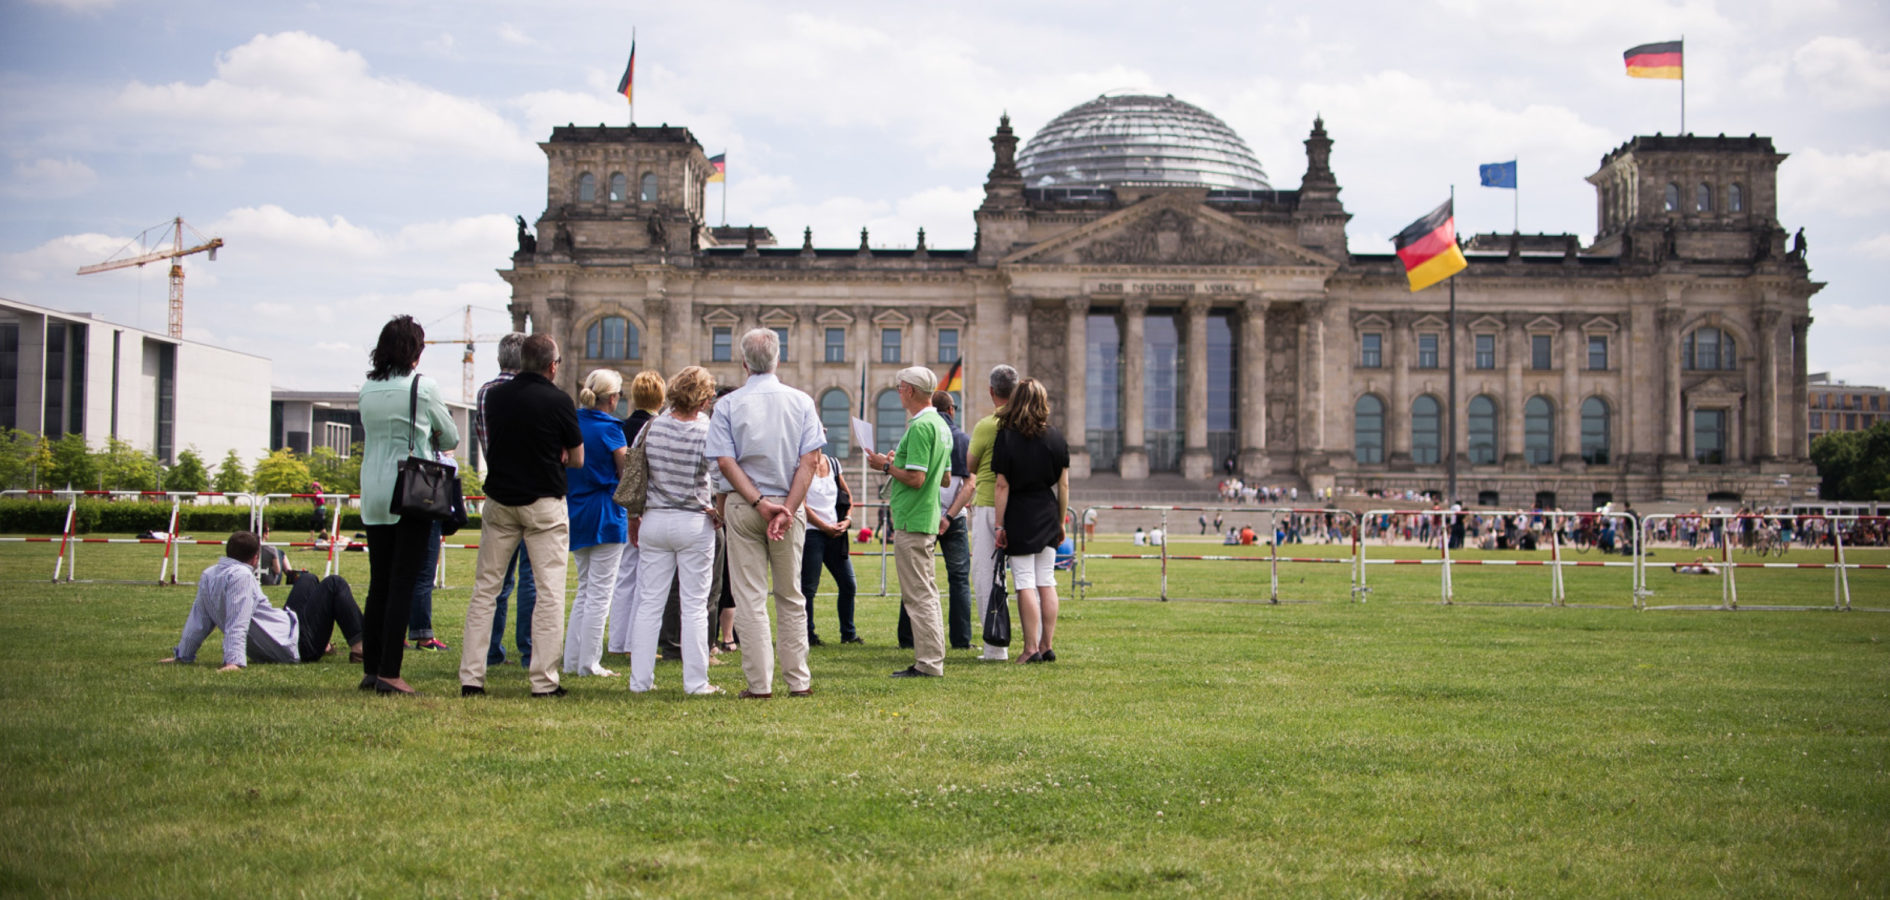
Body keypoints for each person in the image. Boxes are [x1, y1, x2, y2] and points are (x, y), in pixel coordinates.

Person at [458, 333, 582, 698]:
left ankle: (471, 677)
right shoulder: (559, 401)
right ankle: (543, 680)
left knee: (486, 589)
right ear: (552, 365)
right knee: (548, 592)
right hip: (543, 503)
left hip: (499, 500)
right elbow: (577, 459)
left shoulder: (494, 397)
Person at [708, 328, 824, 699]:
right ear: (779, 359)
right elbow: (810, 461)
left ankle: (759, 685)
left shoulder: (727, 405)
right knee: (791, 596)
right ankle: (799, 682)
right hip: (789, 505)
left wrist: (760, 503)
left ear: (743, 363)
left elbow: (725, 462)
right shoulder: (802, 401)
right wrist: (787, 509)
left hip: (746, 505)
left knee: (750, 597)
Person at [356, 315, 459, 695]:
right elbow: (450, 434)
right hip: (411, 489)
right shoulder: (422, 386)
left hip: (373, 487)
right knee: (404, 582)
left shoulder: (367, 388)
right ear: (415, 352)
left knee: (378, 582)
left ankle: (370, 669)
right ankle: (390, 672)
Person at [627, 366, 722, 695]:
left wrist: (634, 517)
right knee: (694, 605)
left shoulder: (652, 426)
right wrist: (717, 509)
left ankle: (640, 681)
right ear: (703, 398)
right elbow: (717, 477)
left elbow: (635, 470)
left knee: (649, 604)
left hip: (654, 518)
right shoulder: (706, 430)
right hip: (693, 521)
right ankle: (696, 682)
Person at [163, 531, 364, 669]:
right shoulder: (241, 577)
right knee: (334, 583)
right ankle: (361, 647)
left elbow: (199, 619)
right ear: (255, 558)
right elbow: (238, 620)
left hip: (287, 627)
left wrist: (183, 655)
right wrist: (234, 661)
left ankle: (326, 644)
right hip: (297, 646)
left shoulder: (209, 575)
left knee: (308, 579)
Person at [865, 366, 953, 679]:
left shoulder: (919, 427)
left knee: (918, 595)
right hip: (927, 515)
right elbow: (944, 478)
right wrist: (897, 463)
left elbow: (917, 479)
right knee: (925, 591)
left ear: (911, 391)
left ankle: (928, 663)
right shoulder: (941, 425)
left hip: (913, 518)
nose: (898, 391)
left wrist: (886, 465)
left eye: (901, 387)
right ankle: (932, 658)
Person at [992, 377, 1070, 665]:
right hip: (1048, 510)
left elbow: (1002, 485)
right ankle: (1046, 645)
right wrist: (1061, 522)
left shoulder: (1007, 436)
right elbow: (1063, 487)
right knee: (1046, 580)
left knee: (1025, 581)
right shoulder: (1057, 437)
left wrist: (999, 526)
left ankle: (1029, 649)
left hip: (1020, 511)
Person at [474, 332, 536, 668]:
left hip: (496, 490)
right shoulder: (534, 392)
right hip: (531, 494)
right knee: (530, 577)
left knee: (495, 578)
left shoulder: (486, 392)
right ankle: (528, 651)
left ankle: (491, 651)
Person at [564, 368, 629, 678]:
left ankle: (573, 659)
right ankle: (589, 662)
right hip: (606, 511)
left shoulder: (573, 422)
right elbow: (626, 473)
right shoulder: (611, 429)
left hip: (576, 508)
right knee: (601, 592)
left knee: (585, 588)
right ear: (613, 398)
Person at [899, 390, 972, 651]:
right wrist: (950, 516)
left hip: (923, 512)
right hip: (954, 517)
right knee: (959, 578)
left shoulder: (921, 428)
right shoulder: (961, 438)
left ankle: (907, 639)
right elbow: (967, 484)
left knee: (914, 577)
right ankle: (961, 640)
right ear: (951, 410)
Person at [608, 369, 666, 658]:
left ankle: (617, 641)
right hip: (646, 508)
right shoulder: (657, 428)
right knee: (646, 579)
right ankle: (634, 643)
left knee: (624, 577)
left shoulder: (621, 427)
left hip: (622, 507)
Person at [964, 364, 1015, 662]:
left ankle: (995, 648)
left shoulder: (988, 425)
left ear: (991, 391)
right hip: (1019, 506)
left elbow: (970, 465)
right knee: (1023, 577)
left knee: (985, 574)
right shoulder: (1026, 423)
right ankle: (1034, 644)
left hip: (987, 503)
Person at [801, 449, 858, 646]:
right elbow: (802, 505)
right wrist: (823, 527)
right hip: (812, 533)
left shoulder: (833, 464)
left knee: (848, 584)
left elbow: (848, 498)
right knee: (808, 588)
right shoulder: (801, 464)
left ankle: (848, 634)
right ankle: (808, 635)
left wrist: (847, 520)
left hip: (836, 533)